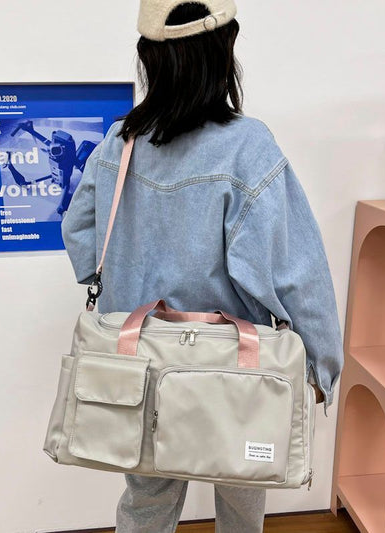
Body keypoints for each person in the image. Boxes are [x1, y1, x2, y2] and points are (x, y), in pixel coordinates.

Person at [61, 1, 344, 531]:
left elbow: (78, 230)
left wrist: (120, 283)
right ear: (224, 49)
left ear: (150, 57)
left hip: (139, 362)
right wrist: (321, 366)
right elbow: (294, 272)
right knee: (241, 496)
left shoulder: (122, 141)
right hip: (236, 369)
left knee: (146, 500)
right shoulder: (248, 147)